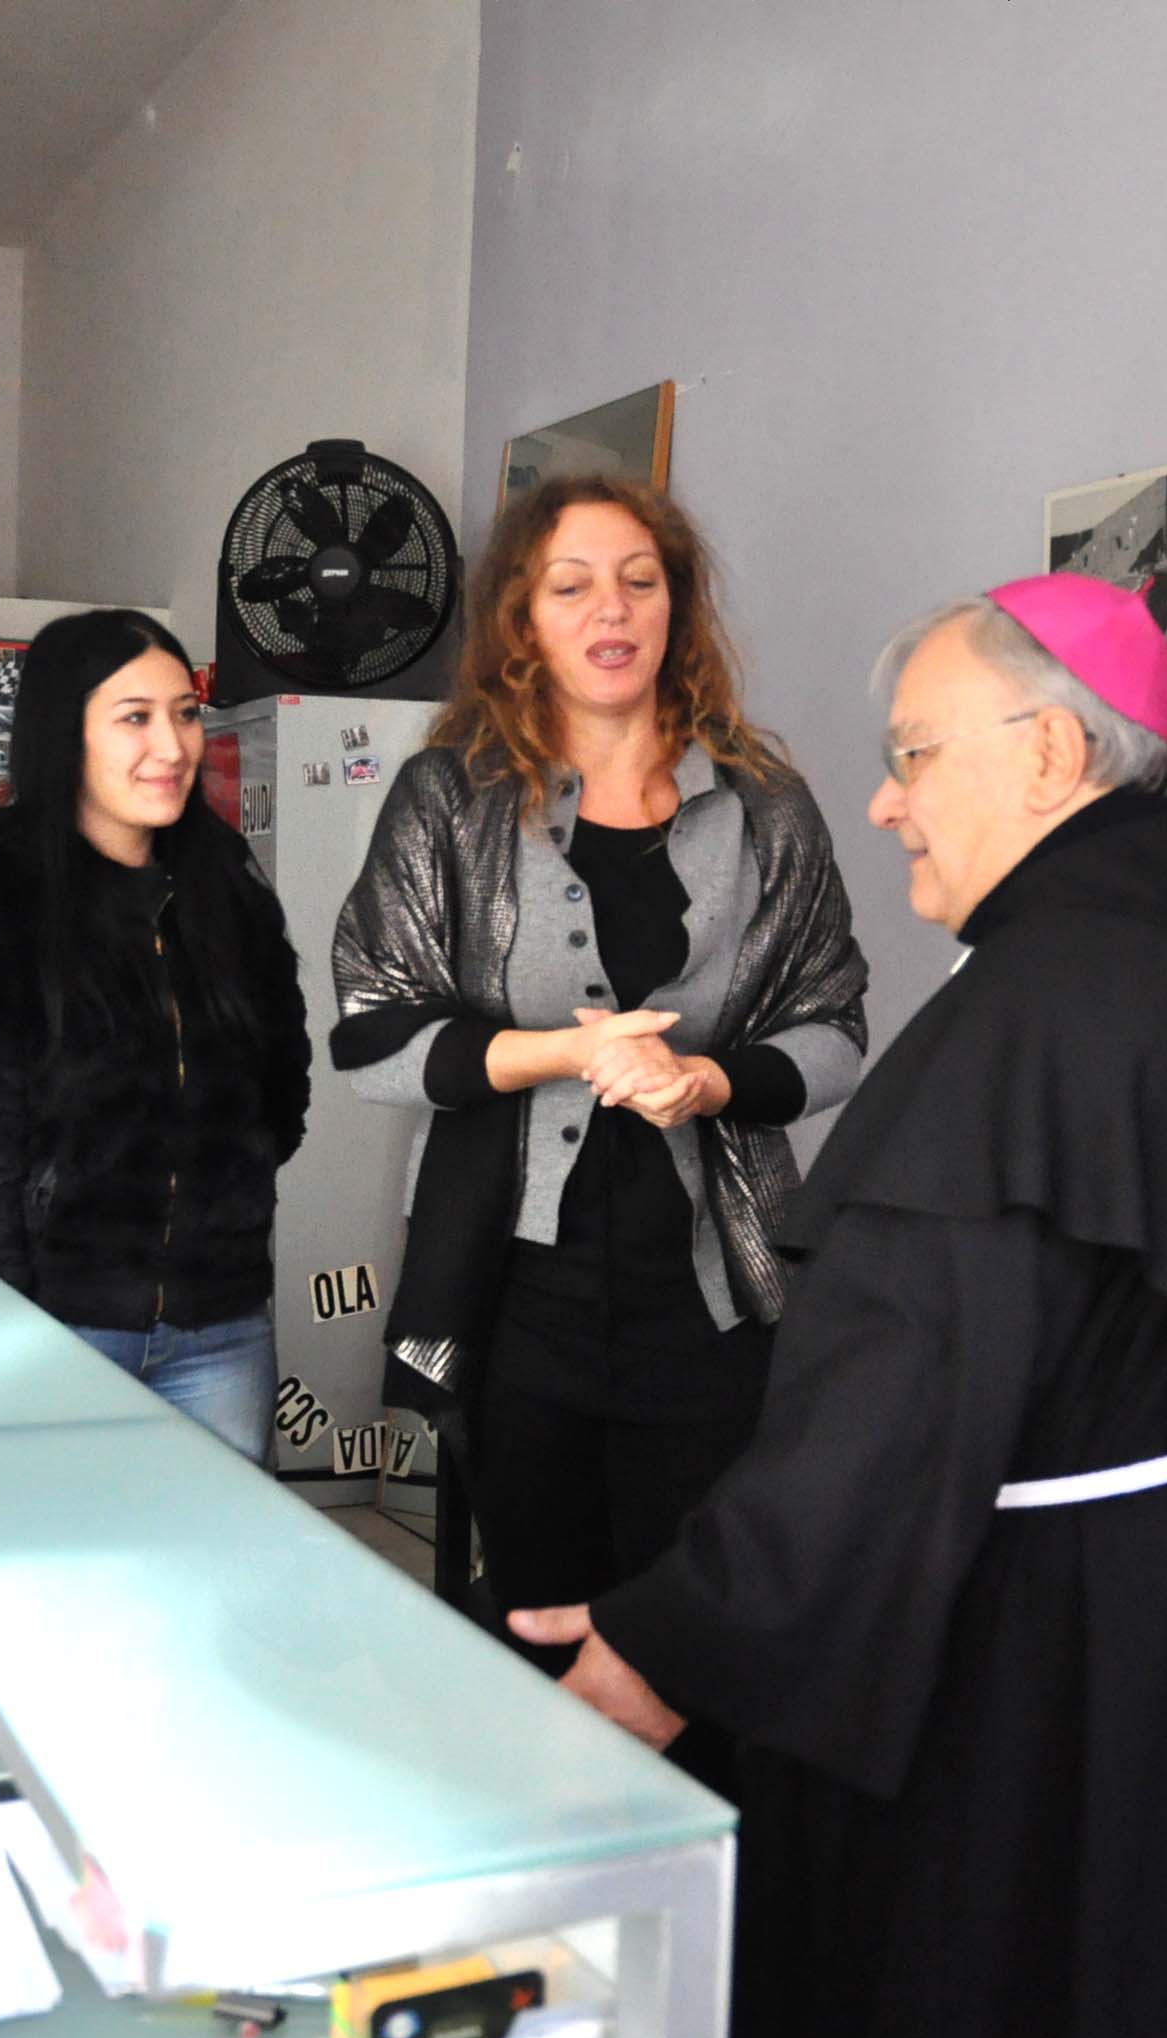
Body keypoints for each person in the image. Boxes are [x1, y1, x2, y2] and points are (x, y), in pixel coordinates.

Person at [513, 574, 1167, 2038]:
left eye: (913, 755)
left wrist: (673, 1637)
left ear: (1048, 753)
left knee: (1006, 2025)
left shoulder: (1054, 996)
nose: (885, 800)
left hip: (1052, 1658)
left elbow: (901, 1393)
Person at [328, 474, 868, 1783]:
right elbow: (371, 1037)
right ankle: (561, 1887)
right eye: (571, 585)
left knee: (706, 1651)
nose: (610, 610)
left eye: (639, 579)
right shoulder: (451, 798)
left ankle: (715, 1898)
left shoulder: (765, 804)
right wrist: (566, 1052)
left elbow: (836, 1028)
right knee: (536, 1636)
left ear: (677, 606)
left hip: (718, 1303)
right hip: (519, 1303)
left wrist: (712, 1084)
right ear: (523, 615)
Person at [0, 609, 309, 1460]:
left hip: (220, 1327)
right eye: (134, 717)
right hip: (54, 1323)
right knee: (57, 1543)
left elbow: (281, 1089)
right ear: (63, 733)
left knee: (217, 1544)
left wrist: (224, 1201)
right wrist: (4, 1322)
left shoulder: (225, 888)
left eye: (185, 714)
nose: (171, 746)